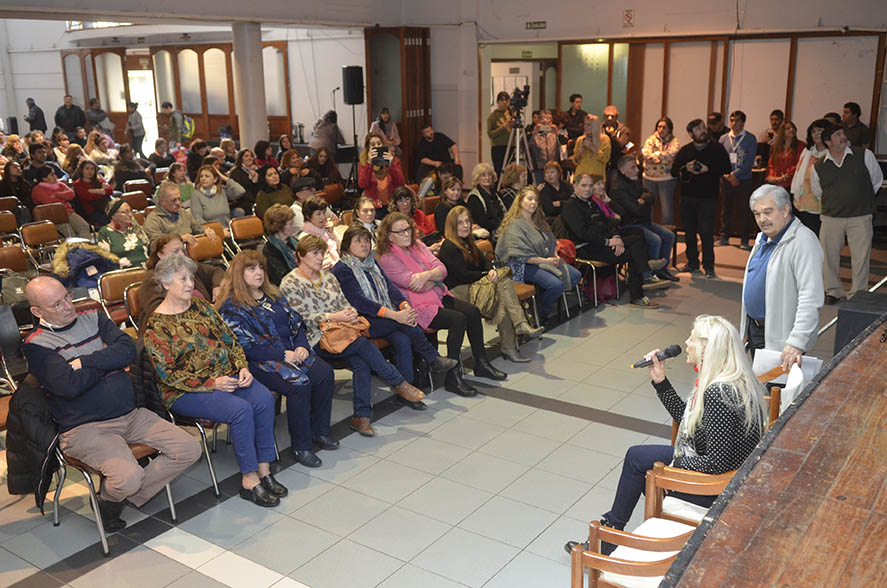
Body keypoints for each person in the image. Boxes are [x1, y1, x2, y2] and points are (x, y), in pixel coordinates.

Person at [564, 315, 768, 556]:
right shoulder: (728, 379)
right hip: (720, 470)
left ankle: (611, 536)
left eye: (692, 338)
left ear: (706, 348)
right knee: (637, 457)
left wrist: (673, 465)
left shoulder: (718, 392)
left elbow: (716, 464)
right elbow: (692, 424)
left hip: (715, 488)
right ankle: (612, 531)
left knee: (642, 465)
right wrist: (661, 382)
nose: (686, 342)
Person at [23, 275, 200, 533]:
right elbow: (68, 386)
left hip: (130, 414)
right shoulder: (36, 344)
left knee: (189, 448)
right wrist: (109, 362)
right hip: (85, 428)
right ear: (37, 311)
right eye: (57, 305)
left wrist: (84, 362)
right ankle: (117, 496)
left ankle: (112, 500)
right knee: (128, 476)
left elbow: (129, 350)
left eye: (67, 297)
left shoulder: (93, 316)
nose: (68, 306)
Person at [143, 254, 286, 507]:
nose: (191, 284)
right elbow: (168, 374)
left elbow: (231, 341)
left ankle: (264, 470)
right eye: (183, 279)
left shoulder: (203, 308)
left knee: (263, 398)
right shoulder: (156, 325)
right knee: (241, 410)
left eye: (191, 278)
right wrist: (212, 384)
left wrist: (242, 368)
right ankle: (249, 479)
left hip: (226, 377)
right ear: (165, 284)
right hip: (184, 392)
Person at [281, 235, 426, 436]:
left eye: (322, 253)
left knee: (361, 361)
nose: (320, 257)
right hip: (315, 339)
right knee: (363, 346)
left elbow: (345, 303)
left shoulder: (329, 277)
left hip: (343, 334)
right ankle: (397, 382)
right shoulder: (290, 283)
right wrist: (333, 316)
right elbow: (299, 318)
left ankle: (361, 417)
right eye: (314, 253)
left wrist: (349, 313)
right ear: (300, 256)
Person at [217, 250, 337, 468]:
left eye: (261, 267)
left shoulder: (274, 295)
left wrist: (301, 345)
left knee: (324, 373)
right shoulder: (232, 307)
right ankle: (301, 446)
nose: (259, 273)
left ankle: (319, 432)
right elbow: (243, 347)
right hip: (261, 362)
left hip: (292, 353)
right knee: (299, 385)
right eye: (251, 268)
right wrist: (282, 355)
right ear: (238, 274)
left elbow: (297, 324)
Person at [376, 213, 506, 392]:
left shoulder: (418, 245)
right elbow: (414, 286)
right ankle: (453, 378)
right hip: (416, 306)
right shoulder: (387, 258)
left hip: (437, 295)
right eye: (401, 232)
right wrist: (432, 277)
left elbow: (442, 269)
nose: (406, 234)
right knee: (458, 319)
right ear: (389, 235)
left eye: (408, 229)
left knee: (473, 312)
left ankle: (481, 363)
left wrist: (427, 276)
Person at [332, 224, 459, 393]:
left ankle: (407, 390)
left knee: (403, 340)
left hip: (381, 316)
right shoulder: (342, 268)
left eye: (366, 241)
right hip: (360, 320)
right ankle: (432, 358)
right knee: (405, 323)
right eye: (358, 241)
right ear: (347, 245)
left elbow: (390, 288)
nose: (364, 245)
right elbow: (359, 302)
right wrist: (396, 315)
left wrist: (404, 306)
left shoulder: (371, 263)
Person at [439, 206, 543, 362]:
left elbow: (484, 262)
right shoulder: (449, 246)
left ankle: (512, 341)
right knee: (503, 284)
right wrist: (487, 274)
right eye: (460, 223)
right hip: (458, 291)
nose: (466, 226)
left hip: (475, 285)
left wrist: (491, 270)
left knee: (502, 299)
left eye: (467, 221)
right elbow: (463, 275)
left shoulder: (469, 242)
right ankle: (518, 327)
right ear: (452, 225)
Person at [740, 185, 824, 367]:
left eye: (768, 212)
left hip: (782, 339)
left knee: (777, 392)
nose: (762, 219)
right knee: (762, 390)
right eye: (757, 214)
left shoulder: (803, 242)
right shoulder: (763, 238)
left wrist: (797, 342)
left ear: (786, 210)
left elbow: (811, 297)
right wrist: (747, 327)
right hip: (757, 330)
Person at [560, 174, 660, 308]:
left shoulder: (592, 203)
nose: (588, 189)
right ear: (575, 186)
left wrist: (617, 238)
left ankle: (644, 275)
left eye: (590, 186)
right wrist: (608, 242)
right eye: (584, 185)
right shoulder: (570, 206)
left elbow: (608, 224)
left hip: (602, 243)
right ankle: (643, 280)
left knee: (636, 235)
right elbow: (583, 234)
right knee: (634, 251)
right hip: (586, 249)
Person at [810, 125, 883, 304]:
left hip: (860, 216)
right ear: (828, 141)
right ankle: (832, 291)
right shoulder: (818, 167)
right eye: (838, 134)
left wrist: (860, 200)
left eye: (843, 133)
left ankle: (858, 293)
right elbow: (818, 191)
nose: (844, 137)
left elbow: (876, 180)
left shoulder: (864, 155)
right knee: (829, 257)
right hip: (831, 217)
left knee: (860, 257)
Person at [496, 186, 583, 319]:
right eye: (530, 199)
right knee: (556, 285)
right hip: (522, 265)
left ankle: (539, 301)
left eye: (536, 200)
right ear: (520, 201)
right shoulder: (514, 225)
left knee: (576, 276)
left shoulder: (538, 221)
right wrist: (546, 261)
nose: (533, 203)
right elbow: (521, 255)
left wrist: (554, 255)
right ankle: (540, 311)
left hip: (544, 259)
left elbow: (552, 240)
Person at [672, 119, 732, 278]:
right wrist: (687, 167)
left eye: (703, 127)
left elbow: (727, 168)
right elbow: (673, 171)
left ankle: (709, 265)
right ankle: (692, 262)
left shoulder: (717, 148)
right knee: (689, 232)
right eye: (698, 129)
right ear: (691, 134)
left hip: (708, 197)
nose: (702, 130)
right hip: (687, 196)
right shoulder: (685, 151)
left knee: (706, 232)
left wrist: (708, 169)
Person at [609, 155, 678, 283]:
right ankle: (648, 274)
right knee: (655, 240)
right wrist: (643, 201)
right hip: (629, 225)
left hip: (642, 221)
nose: (637, 170)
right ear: (623, 170)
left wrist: (643, 200)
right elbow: (635, 209)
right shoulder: (618, 187)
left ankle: (661, 270)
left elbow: (651, 195)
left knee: (669, 236)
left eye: (637, 167)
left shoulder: (634, 180)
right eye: (633, 167)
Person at [139, 234, 224, 327]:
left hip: (206, 320)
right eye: (175, 251)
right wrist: (201, 312)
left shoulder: (187, 266)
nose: (182, 254)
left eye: (182, 250)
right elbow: (157, 315)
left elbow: (217, 271)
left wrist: (217, 286)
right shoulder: (152, 279)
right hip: (170, 329)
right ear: (160, 255)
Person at [718, 110, 758, 249]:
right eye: (732, 120)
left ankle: (744, 239)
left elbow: (749, 161)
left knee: (744, 210)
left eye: (738, 121)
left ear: (743, 122)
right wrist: (728, 176)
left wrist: (736, 175)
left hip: (744, 180)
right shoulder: (723, 139)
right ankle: (724, 236)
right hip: (726, 179)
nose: (735, 124)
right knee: (725, 208)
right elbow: (720, 160)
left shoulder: (750, 138)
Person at [143, 181, 219, 244]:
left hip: (192, 254)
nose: (178, 203)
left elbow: (197, 227)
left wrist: (206, 230)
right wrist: (179, 239)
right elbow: (155, 245)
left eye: (179, 199)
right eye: (173, 200)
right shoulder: (153, 220)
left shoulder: (183, 212)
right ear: (161, 201)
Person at [790, 119, 830, 235]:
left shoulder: (831, 154)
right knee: (805, 234)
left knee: (820, 235)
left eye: (820, 130)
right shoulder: (807, 152)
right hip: (805, 200)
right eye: (813, 131)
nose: (816, 134)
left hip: (824, 202)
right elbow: (798, 174)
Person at [31, 167, 91, 238]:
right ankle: (76, 248)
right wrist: (63, 198)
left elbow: (71, 194)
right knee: (71, 235)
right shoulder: (38, 189)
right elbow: (49, 201)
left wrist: (57, 195)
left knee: (84, 226)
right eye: (52, 175)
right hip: (55, 216)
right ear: (44, 178)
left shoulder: (60, 184)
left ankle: (84, 248)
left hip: (68, 212)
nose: (56, 177)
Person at [642, 117, 681, 225]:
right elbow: (645, 152)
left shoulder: (674, 141)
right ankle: (647, 230)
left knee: (666, 209)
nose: (661, 129)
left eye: (664, 127)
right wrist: (656, 157)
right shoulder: (650, 139)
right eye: (659, 127)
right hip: (649, 178)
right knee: (648, 206)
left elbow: (671, 154)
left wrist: (657, 155)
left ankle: (668, 233)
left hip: (666, 179)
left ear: (669, 129)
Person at [358, 132, 404, 211]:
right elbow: (363, 185)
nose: (376, 147)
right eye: (372, 145)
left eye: (379, 143)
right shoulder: (363, 163)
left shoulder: (394, 160)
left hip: (392, 205)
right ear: (368, 148)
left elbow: (401, 183)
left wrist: (391, 164)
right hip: (374, 207)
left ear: (383, 145)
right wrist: (369, 163)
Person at [97, 199, 150, 268]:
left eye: (131, 211)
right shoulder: (105, 232)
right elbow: (105, 260)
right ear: (113, 215)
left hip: (146, 268)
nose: (130, 215)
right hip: (124, 273)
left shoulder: (135, 228)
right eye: (125, 212)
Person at [298, 196, 341, 269]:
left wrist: (332, 233)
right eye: (318, 214)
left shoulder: (327, 228)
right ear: (308, 216)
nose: (323, 217)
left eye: (324, 213)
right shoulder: (304, 238)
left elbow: (343, 250)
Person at [263, 204, 301, 286]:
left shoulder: (294, 241)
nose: (294, 226)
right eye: (290, 224)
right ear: (279, 226)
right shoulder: (270, 250)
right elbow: (281, 277)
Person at [466, 163, 505, 237]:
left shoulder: (496, 194)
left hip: (501, 230)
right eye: (483, 175)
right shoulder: (474, 197)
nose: (487, 177)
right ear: (478, 178)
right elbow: (482, 222)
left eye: (489, 174)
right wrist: (501, 224)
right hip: (487, 234)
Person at [764, 121, 804, 192]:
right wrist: (772, 177)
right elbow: (771, 164)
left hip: (791, 183)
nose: (791, 130)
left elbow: (799, 165)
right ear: (782, 132)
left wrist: (784, 177)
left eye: (793, 128)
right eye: (788, 128)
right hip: (775, 183)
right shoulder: (775, 146)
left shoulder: (801, 146)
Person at [73, 159, 113, 226]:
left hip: (104, 207)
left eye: (92, 169)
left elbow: (110, 190)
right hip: (91, 210)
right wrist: (103, 192)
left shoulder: (98, 180)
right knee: (110, 220)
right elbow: (89, 197)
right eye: (87, 169)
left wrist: (95, 191)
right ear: (82, 170)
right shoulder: (78, 184)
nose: (90, 171)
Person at [572, 114, 611, 179]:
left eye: (588, 125)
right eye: (584, 124)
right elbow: (575, 161)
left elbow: (605, 159)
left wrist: (592, 147)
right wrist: (580, 153)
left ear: (595, 126)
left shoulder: (604, 139)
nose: (585, 127)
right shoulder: (580, 139)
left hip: (596, 176)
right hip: (581, 176)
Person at [528, 110, 560, 184]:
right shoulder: (534, 134)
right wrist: (533, 134)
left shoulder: (554, 133)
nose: (545, 120)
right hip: (539, 168)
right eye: (542, 118)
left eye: (548, 118)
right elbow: (525, 147)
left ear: (551, 121)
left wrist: (557, 134)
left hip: (553, 167)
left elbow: (562, 149)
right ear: (538, 121)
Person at [602, 105, 633, 180]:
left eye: (612, 116)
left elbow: (621, 146)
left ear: (616, 117)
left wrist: (613, 135)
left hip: (616, 165)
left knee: (613, 187)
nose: (609, 118)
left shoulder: (624, 130)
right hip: (601, 164)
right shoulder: (600, 128)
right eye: (607, 116)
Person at [487, 91, 512, 177]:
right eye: (502, 100)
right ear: (498, 102)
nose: (504, 102)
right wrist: (503, 128)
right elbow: (490, 134)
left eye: (506, 100)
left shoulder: (512, 114)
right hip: (498, 148)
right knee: (499, 171)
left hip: (511, 147)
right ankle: (498, 189)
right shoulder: (493, 116)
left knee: (510, 172)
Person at [229, 149, 260, 214]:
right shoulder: (236, 172)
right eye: (246, 156)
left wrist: (255, 181)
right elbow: (240, 192)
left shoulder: (257, 171)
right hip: (242, 202)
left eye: (251, 156)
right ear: (241, 159)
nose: (250, 158)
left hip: (255, 200)